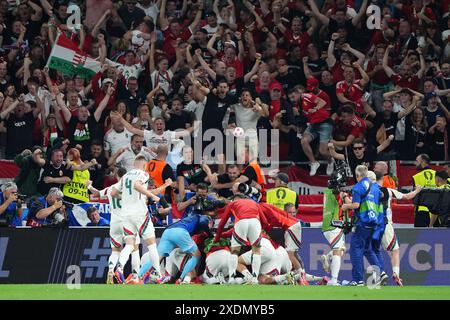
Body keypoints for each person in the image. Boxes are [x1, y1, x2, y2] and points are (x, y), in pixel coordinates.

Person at [111, 155, 164, 284]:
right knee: (151, 244)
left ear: (134, 164)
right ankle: (157, 273)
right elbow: (137, 185)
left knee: (129, 245)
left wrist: (126, 198)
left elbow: (113, 193)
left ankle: (119, 268)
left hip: (126, 214)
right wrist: (153, 196)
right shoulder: (143, 174)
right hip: (140, 213)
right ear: (145, 165)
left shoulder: (125, 176)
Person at [374, 171, 422, 286]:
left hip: (370, 224)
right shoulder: (388, 191)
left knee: (372, 251)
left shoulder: (367, 191)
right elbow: (407, 196)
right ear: (383, 179)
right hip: (385, 224)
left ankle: (378, 275)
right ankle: (395, 273)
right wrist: (417, 190)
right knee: (394, 250)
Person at [140, 212, 216, 284]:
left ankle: (137, 276)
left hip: (167, 232)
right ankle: (181, 279)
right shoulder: (205, 218)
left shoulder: (192, 221)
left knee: (157, 258)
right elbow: (203, 222)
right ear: (211, 222)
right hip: (180, 231)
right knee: (196, 255)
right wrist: (211, 235)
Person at [341, 165, 385, 286]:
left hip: (362, 222)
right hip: (374, 222)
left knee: (355, 250)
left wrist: (345, 206)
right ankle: (381, 272)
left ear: (357, 175)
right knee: (367, 249)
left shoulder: (358, 186)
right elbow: (381, 196)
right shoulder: (375, 188)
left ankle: (357, 280)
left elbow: (355, 205)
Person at [214, 196, 268, 284]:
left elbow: (222, 223)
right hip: (255, 222)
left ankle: (231, 278)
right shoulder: (254, 203)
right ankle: (254, 279)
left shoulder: (232, 203)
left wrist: (217, 238)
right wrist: (261, 230)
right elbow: (265, 221)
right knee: (256, 251)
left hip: (241, 221)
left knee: (235, 251)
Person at [412, 154, 436, 227]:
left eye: (417, 161)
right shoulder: (437, 174)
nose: (415, 163)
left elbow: (415, 196)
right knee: (437, 236)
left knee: (419, 237)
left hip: (421, 211)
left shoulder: (416, 177)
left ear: (423, 161)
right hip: (435, 212)